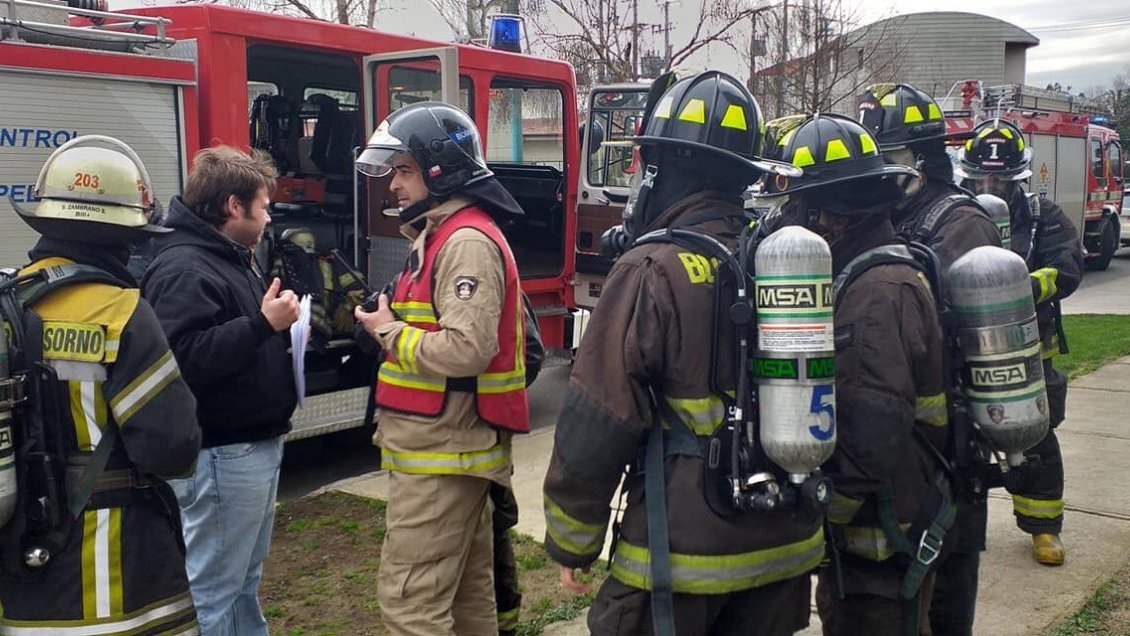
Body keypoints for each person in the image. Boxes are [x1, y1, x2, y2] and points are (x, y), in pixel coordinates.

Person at [544, 71, 824, 636]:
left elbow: (597, 418)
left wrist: (572, 540)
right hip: (784, 548)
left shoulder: (652, 269)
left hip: (684, 558)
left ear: (658, 170)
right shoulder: (777, 258)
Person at [1, 135, 201, 633]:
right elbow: (172, 448)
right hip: (112, 583)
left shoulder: (9, 304)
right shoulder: (122, 313)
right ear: (126, 237)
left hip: (20, 584)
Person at [763, 113, 951, 635]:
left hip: (882, 540)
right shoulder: (866, 271)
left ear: (830, 213)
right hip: (879, 535)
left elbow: (873, 427)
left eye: (798, 207)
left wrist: (824, 516)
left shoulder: (878, 292)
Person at [352, 101, 530, 636]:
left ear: (439, 170)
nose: (393, 186)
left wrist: (386, 331)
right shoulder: (443, 235)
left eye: (403, 170)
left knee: (410, 606)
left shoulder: (465, 243)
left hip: (442, 457)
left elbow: (464, 350)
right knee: (468, 602)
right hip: (446, 452)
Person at [857, 83, 1003, 636]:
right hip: (912, 445)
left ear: (918, 158)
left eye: (886, 158)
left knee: (943, 603)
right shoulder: (902, 217)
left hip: (954, 452)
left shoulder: (960, 224)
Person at [141, 145, 299, 635]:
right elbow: (179, 360)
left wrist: (269, 327)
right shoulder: (185, 268)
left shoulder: (227, 257)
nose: (269, 217)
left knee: (241, 583)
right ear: (234, 206)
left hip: (248, 448)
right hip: (221, 454)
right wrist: (260, 326)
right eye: (264, 205)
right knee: (213, 589)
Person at [957, 118, 1083, 567]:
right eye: (982, 177)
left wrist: (1023, 287)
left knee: (1035, 437)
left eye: (1000, 178)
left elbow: (1068, 266)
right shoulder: (958, 215)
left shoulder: (1041, 216)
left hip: (1028, 346)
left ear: (1019, 177)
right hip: (965, 345)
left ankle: (1043, 528)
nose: (990, 185)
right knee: (956, 435)